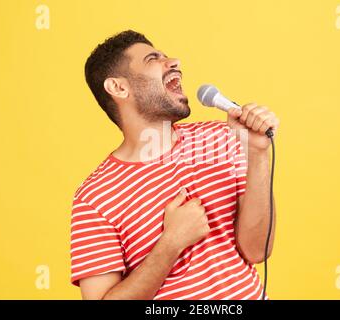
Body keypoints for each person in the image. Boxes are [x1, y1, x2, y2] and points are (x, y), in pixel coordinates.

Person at [70, 30, 280, 300]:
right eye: (153, 58)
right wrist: (171, 243)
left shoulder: (221, 138)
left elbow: (257, 251)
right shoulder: (94, 198)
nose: (174, 62)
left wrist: (258, 154)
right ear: (119, 87)